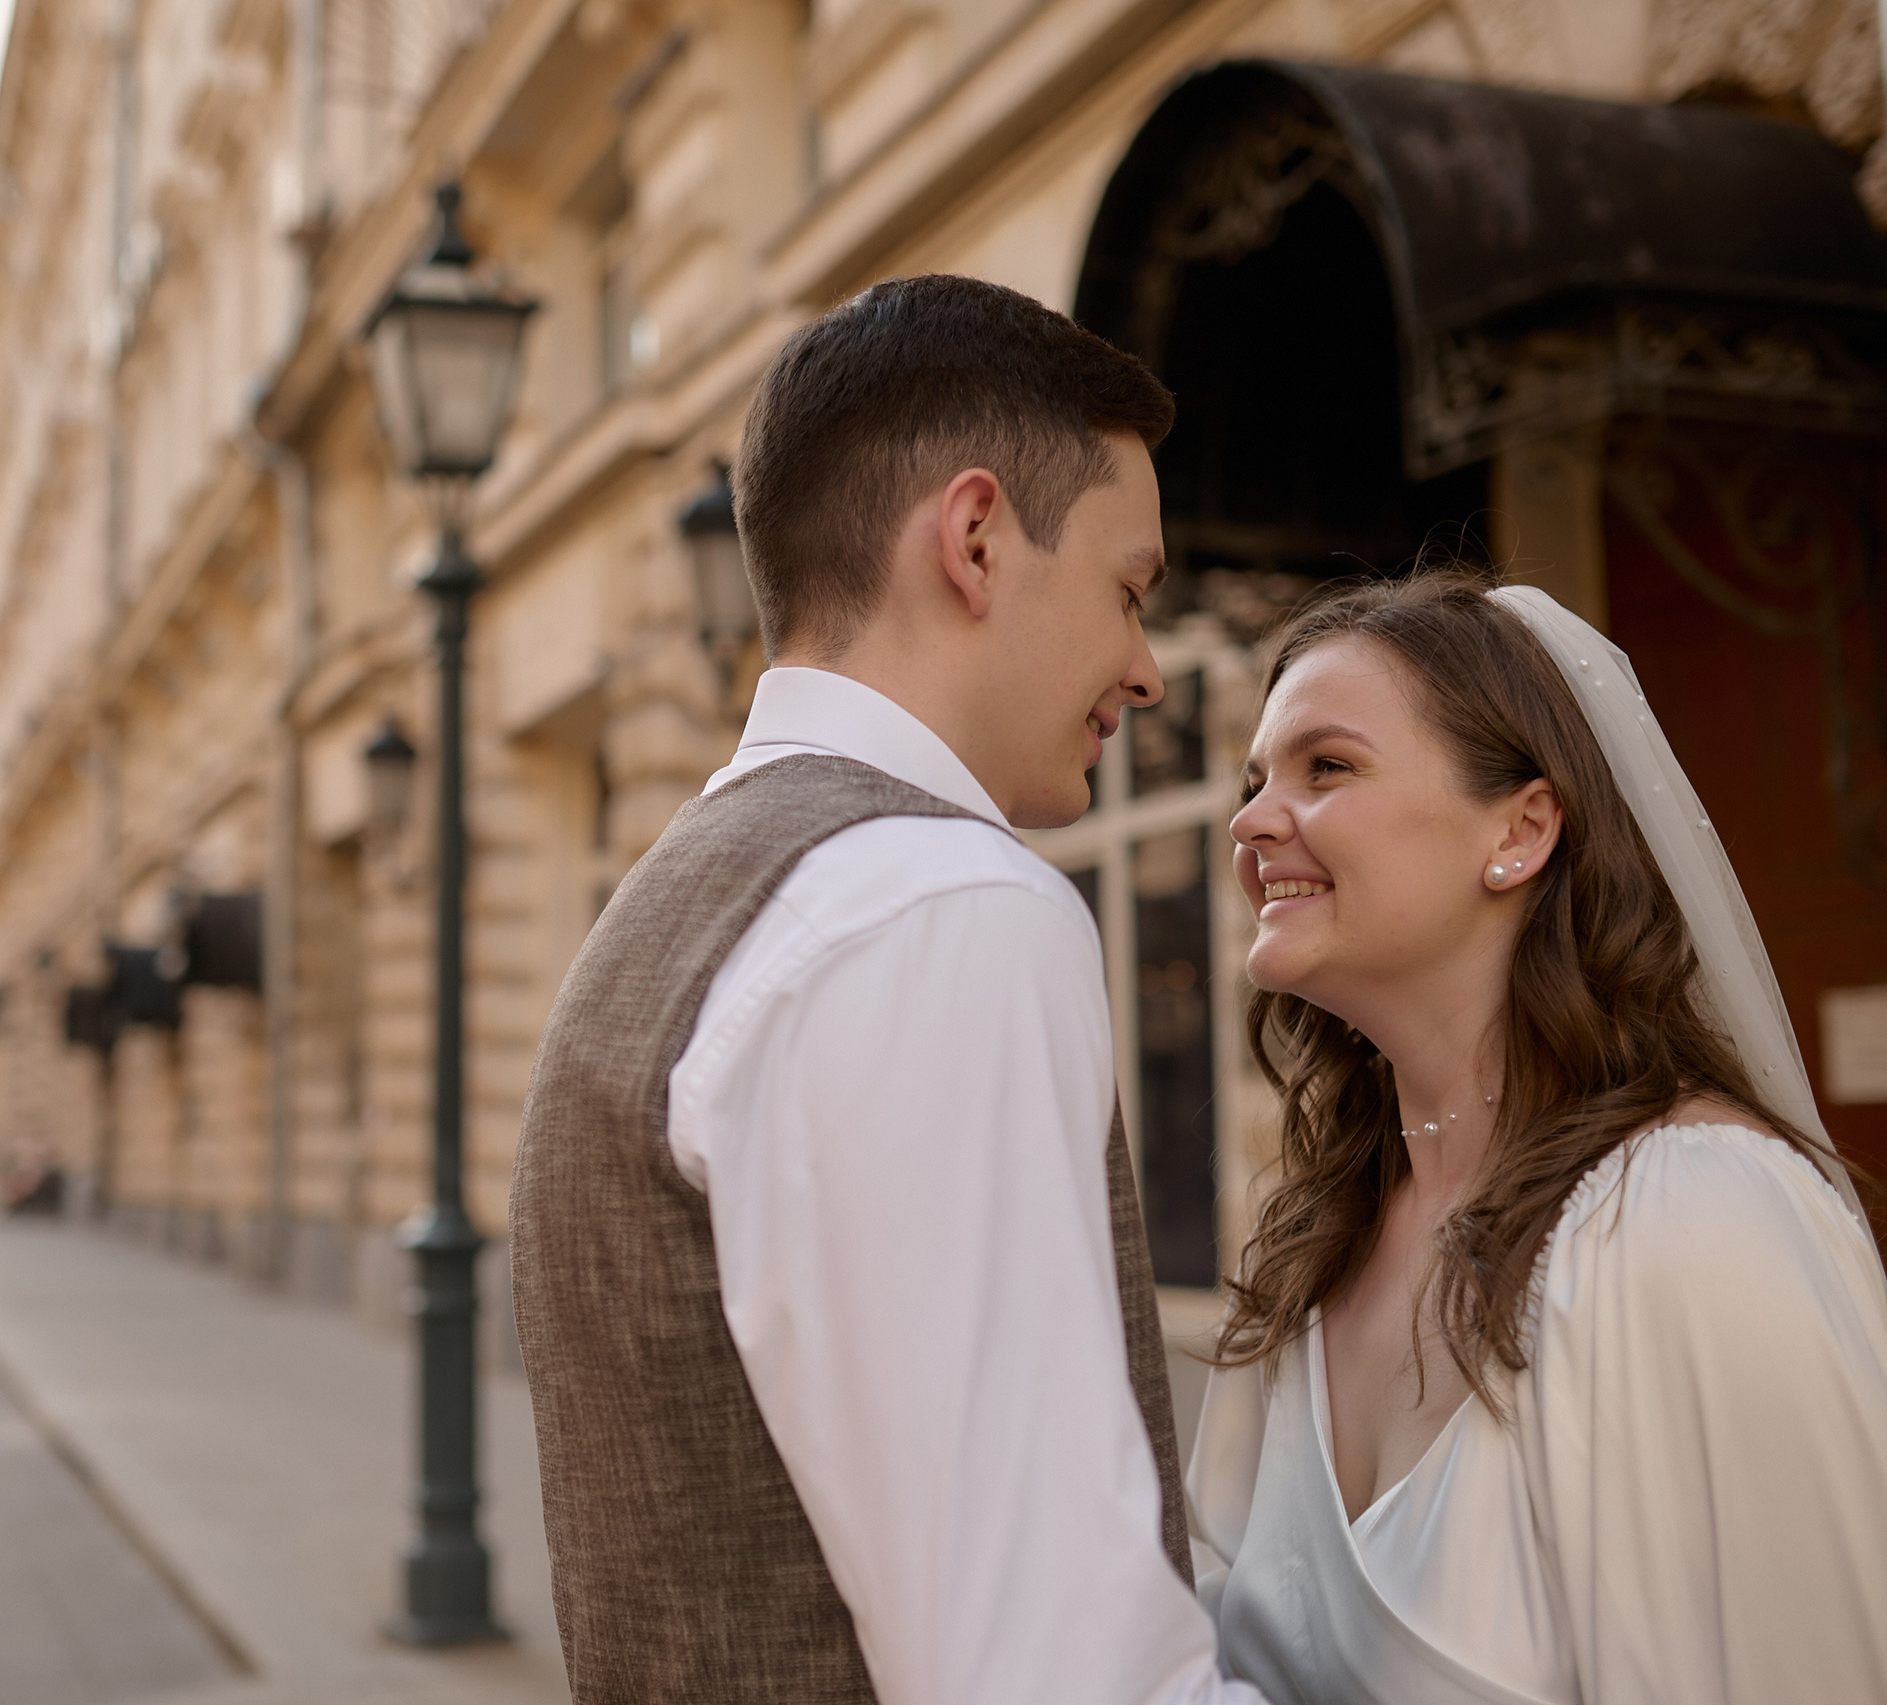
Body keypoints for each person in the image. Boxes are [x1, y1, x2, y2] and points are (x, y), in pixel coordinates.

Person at [513, 276, 1259, 1703]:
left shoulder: (678, 901)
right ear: (976, 539)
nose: (1147, 670)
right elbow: (1052, 1668)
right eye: (1130, 588)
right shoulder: (939, 905)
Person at [1197, 571, 1887, 1703]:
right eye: (1254, 777)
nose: (1251, 818)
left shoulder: (1696, 1220)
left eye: (1327, 767)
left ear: (1519, 831)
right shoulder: (1308, 1256)